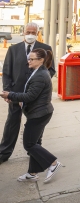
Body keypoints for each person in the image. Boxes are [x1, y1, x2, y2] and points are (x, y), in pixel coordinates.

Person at [0, 48, 62, 183]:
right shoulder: (38, 72)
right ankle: (32, 173)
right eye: (29, 58)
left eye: (32, 59)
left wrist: (10, 94)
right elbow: (31, 95)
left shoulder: (40, 75)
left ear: (41, 60)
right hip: (40, 113)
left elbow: (30, 96)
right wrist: (15, 98)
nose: (29, 61)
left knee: (29, 144)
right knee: (35, 143)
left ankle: (53, 163)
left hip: (39, 115)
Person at [0, 23, 55, 164]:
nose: (30, 34)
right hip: (16, 94)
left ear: (37, 33)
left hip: (35, 95)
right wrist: (8, 92)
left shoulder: (46, 49)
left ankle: (35, 149)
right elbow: (6, 73)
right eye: (28, 31)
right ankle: (4, 152)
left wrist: (39, 82)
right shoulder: (13, 49)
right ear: (23, 32)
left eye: (33, 32)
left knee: (35, 122)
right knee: (12, 122)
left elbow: (51, 70)